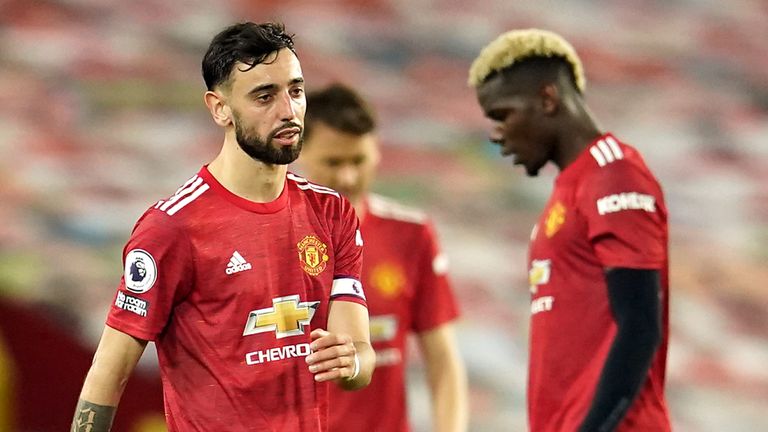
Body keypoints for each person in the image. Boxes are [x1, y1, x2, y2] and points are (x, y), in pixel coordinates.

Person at [71, 22, 375, 432]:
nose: (288, 111)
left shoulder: (332, 212)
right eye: (264, 96)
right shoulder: (172, 228)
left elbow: (359, 357)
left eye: (296, 91)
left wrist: (351, 361)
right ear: (220, 109)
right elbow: (110, 369)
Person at [468, 29, 672, 431]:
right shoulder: (570, 189)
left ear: (547, 98)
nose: (497, 133)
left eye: (503, 114)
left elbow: (640, 324)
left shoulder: (615, 173)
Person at [297, 84, 468, 432]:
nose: (347, 176)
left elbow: (443, 360)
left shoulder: (412, 235)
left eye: (357, 160)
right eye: (333, 162)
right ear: (300, 152)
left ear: (377, 152)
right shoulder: (269, 236)